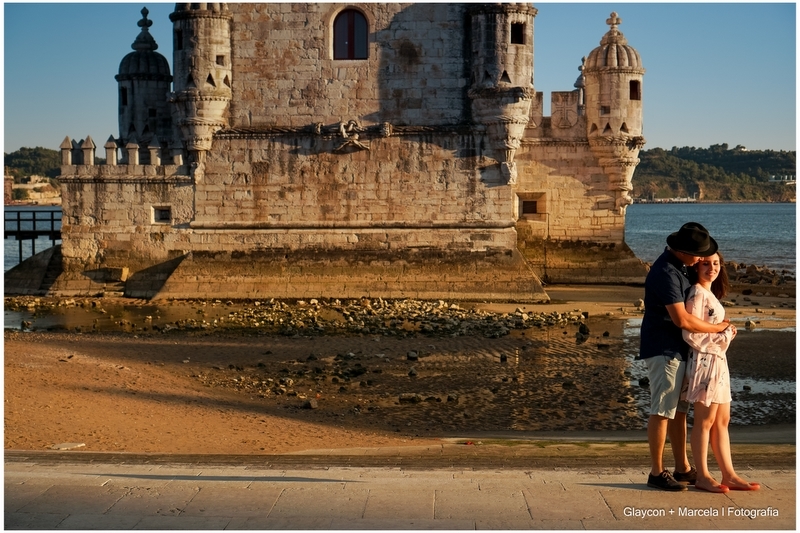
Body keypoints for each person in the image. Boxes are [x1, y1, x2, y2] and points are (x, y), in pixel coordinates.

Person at [639, 222, 731, 491]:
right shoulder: (666, 272)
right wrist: (718, 329)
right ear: (681, 251)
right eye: (698, 255)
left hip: (677, 349)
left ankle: (683, 468)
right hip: (664, 348)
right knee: (662, 409)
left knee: (678, 410)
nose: (702, 259)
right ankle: (657, 472)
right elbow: (682, 319)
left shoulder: (679, 267)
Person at [681, 251, 760, 493]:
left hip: (719, 364)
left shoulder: (709, 294)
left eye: (715, 263)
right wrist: (725, 333)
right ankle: (703, 475)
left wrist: (724, 333)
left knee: (722, 420)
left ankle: (729, 474)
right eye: (706, 264)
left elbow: (711, 330)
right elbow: (690, 335)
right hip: (705, 364)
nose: (712, 268)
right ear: (696, 267)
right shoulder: (696, 293)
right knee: (704, 422)